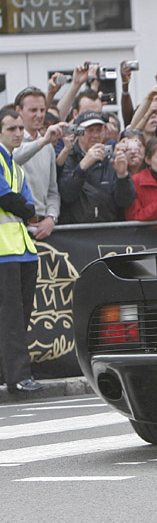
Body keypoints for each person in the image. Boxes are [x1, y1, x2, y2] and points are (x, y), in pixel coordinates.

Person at [0, 107, 42, 393]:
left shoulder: (15, 166)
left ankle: (11, 374)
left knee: (20, 317)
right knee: (12, 318)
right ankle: (18, 377)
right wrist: (22, 206)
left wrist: (22, 206)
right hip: (5, 252)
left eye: (19, 128)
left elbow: (28, 206)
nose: (18, 133)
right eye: (11, 128)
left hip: (22, 250)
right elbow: (11, 200)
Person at [58, 111, 134, 223]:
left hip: (108, 230)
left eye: (99, 130)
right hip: (76, 232)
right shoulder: (68, 157)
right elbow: (67, 195)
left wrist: (122, 176)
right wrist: (82, 167)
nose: (95, 135)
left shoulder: (112, 159)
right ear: (78, 133)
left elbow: (125, 202)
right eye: (90, 131)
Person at [13, 87, 63, 240]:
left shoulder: (47, 146)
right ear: (19, 110)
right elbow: (15, 158)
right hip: (15, 227)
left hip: (42, 229)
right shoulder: (9, 142)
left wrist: (51, 218)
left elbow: (52, 191)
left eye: (42, 109)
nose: (39, 115)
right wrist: (42, 141)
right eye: (33, 110)